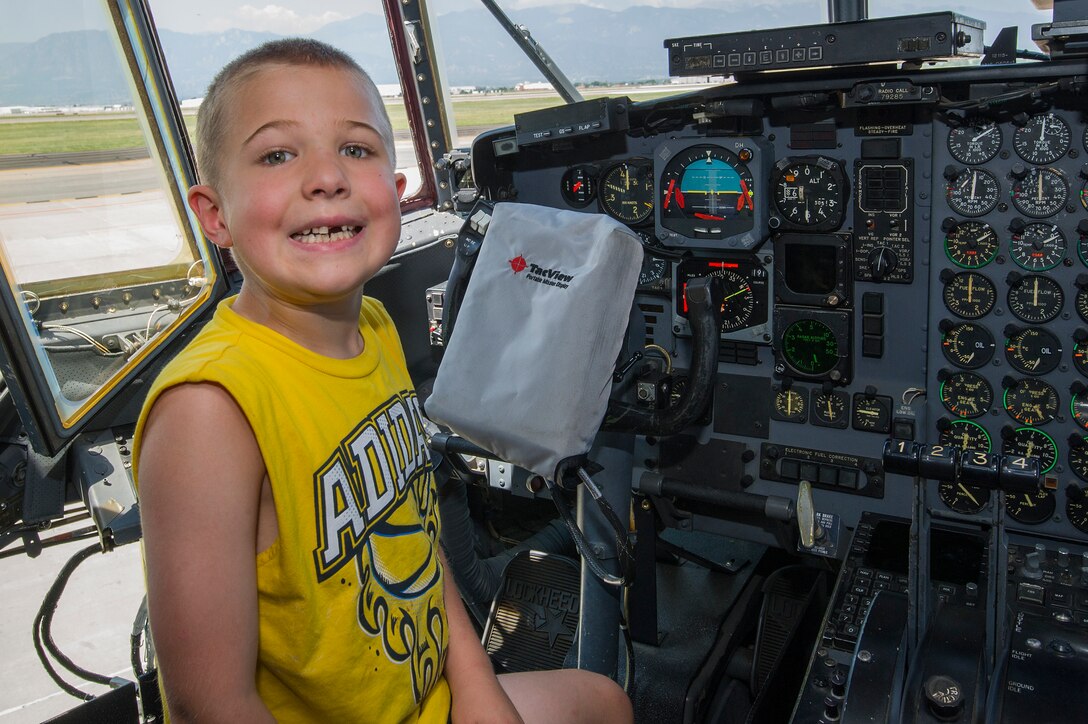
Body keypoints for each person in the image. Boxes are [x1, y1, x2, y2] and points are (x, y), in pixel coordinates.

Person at [134, 38, 633, 723]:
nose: (327, 177)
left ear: (396, 195)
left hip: (426, 695)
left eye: (358, 150)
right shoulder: (210, 412)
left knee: (604, 702)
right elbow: (209, 704)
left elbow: (419, 543)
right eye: (279, 154)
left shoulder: (371, 327)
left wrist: (480, 688)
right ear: (214, 214)